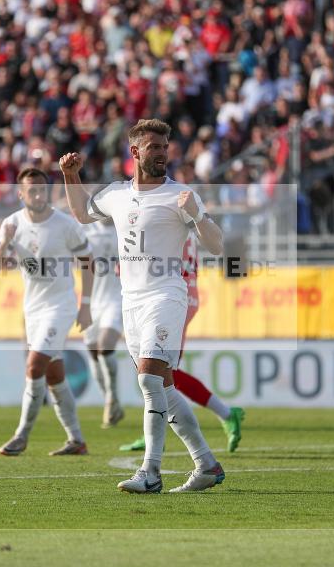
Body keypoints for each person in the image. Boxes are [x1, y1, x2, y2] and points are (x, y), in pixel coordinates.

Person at [61, 118, 225, 494]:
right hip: (130, 302)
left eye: (165, 147)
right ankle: (206, 464)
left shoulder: (182, 195)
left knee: (149, 377)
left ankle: (150, 472)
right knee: (163, 389)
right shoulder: (117, 194)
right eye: (154, 147)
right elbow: (84, 213)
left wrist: (197, 216)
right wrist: (71, 176)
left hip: (167, 294)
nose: (162, 153)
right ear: (134, 152)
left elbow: (216, 245)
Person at [0, 167, 94, 457]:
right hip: (32, 309)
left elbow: (88, 261)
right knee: (53, 374)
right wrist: (1, 248)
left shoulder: (65, 224)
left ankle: (21, 436)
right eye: (31, 190)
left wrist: (85, 306)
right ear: (21, 194)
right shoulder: (12, 223)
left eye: (41, 189)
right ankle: (76, 440)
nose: (37, 195)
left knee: (34, 366)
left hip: (61, 306)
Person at [120, 228, 245, 453]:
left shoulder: (168, 216)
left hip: (173, 298)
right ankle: (156, 429)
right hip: (178, 296)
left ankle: (225, 413)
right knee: (158, 371)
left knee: (160, 371)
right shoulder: (179, 215)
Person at [83, 218, 125, 428]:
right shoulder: (86, 229)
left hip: (117, 298)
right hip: (92, 300)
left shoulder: (126, 227)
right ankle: (110, 401)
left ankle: (112, 399)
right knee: (93, 352)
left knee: (104, 345)